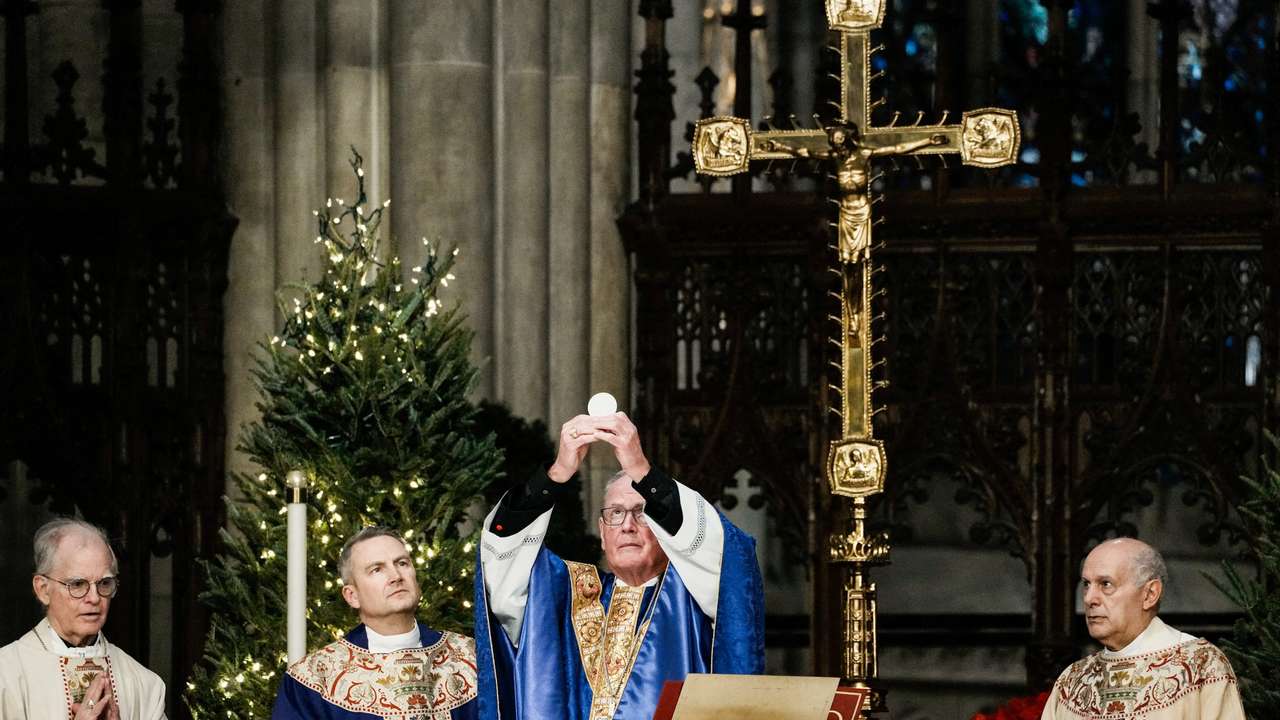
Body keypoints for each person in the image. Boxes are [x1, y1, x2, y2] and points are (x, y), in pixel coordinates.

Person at [474, 412, 765, 720]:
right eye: (615, 513)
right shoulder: (566, 597)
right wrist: (557, 473)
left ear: (667, 531)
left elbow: (733, 561)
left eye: (641, 513)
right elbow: (502, 556)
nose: (627, 525)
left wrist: (642, 470)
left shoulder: (693, 598)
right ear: (602, 533)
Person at [272, 527, 478, 719]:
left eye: (402, 563)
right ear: (352, 596)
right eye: (377, 569)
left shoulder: (472, 657)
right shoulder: (315, 679)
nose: (396, 576)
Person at [1041, 537, 1246, 719]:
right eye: (1086, 584)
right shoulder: (1072, 681)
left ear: (1149, 594)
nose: (1088, 598)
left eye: (1106, 584)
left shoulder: (1201, 666)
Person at [0, 518, 167, 720]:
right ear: (43, 589)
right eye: (77, 584)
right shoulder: (6, 675)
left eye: (104, 583)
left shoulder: (144, 684)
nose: (95, 598)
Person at [763, 123, 946, 263]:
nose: (838, 147)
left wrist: (928, 141)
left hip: (862, 210)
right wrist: (779, 147)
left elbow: (897, 149)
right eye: (834, 143)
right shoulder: (835, 158)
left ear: (848, 140)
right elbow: (805, 152)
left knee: (861, 260)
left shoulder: (864, 154)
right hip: (845, 212)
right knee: (848, 262)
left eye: (840, 142)